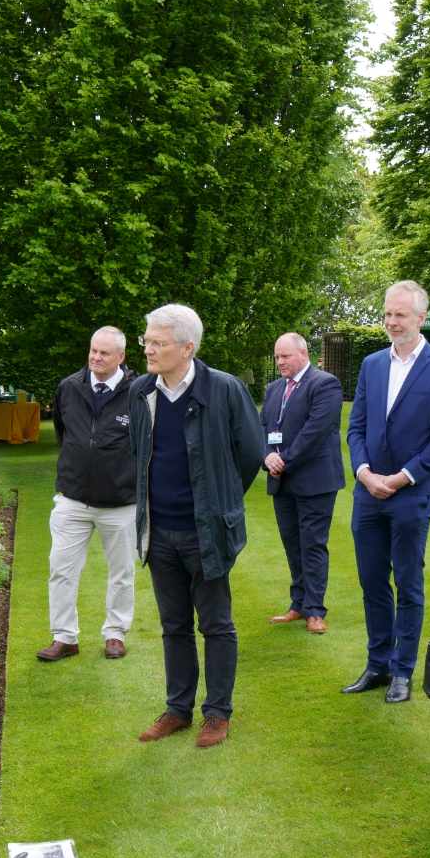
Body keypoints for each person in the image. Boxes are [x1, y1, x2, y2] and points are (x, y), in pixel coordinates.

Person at [127, 304, 266, 748]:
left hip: (206, 531)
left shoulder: (224, 389)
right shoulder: (140, 392)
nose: (148, 349)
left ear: (188, 348)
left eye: (158, 343)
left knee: (216, 624)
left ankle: (217, 713)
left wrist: (219, 503)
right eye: (146, 341)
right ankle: (177, 709)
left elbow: (250, 453)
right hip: (159, 531)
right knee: (173, 626)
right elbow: (139, 455)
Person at [342, 280, 430, 703]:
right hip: (368, 493)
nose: (392, 322)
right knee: (372, 581)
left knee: (407, 582)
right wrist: (364, 472)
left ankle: (402, 671)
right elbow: (356, 426)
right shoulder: (372, 365)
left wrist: (402, 477)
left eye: (401, 315)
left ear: (421, 318)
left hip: (411, 494)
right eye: (388, 314)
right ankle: (377, 664)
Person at [39, 326, 138, 662]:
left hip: (121, 502)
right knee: (61, 568)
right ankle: (64, 637)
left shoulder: (137, 393)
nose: (96, 358)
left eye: (104, 353)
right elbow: (64, 434)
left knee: (122, 571)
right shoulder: (69, 388)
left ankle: (115, 633)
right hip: (73, 499)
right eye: (93, 351)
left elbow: (146, 444)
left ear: (121, 357)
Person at [260, 332, 345, 634]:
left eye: (285, 356)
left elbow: (315, 431)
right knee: (292, 544)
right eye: (277, 356)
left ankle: (315, 610)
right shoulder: (273, 390)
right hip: (282, 482)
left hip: (315, 481)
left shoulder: (325, 384)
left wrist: (284, 460)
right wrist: (267, 456)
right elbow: (262, 429)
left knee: (312, 545)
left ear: (303, 353)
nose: (280, 362)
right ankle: (297, 604)